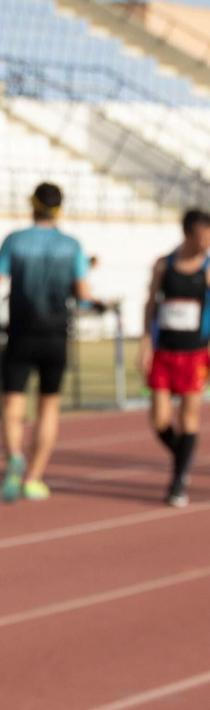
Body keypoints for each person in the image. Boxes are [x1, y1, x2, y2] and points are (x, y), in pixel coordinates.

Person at [0, 182, 99, 503]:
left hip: (20, 333)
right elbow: (84, 295)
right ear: (59, 209)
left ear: (32, 205)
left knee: (12, 403)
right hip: (55, 335)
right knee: (49, 406)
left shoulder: (15, 240)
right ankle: (34, 478)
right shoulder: (71, 245)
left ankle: (13, 456)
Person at [139, 207, 210, 507]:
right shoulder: (163, 265)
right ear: (189, 234)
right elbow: (150, 304)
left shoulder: (207, 268)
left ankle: (178, 482)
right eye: (204, 234)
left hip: (195, 354)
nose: (208, 240)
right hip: (164, 352)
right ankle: (184, 457)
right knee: (159, 419)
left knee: (189, 417)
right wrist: (145, 341)